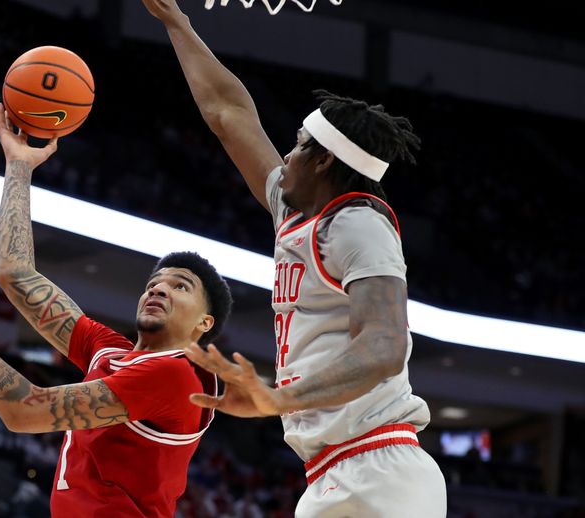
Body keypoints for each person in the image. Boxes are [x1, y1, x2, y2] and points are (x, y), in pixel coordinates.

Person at [141, 1, 447, 517]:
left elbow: (386, 345)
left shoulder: (358, 223)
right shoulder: (295, 209)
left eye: (300, 146)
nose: (287, 154)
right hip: (332, 472)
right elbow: (229, 114)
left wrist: (274, 398)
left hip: (381, 470)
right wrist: (177, 22)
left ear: (326, 160)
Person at [0, 101, 233, 518]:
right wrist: (19, 165)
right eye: (154, 282)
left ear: (203, 324)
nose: (159, 289)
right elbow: (15, 273)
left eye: (180, 286)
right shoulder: (109, 351)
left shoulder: (174, 374)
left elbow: (22, 411)